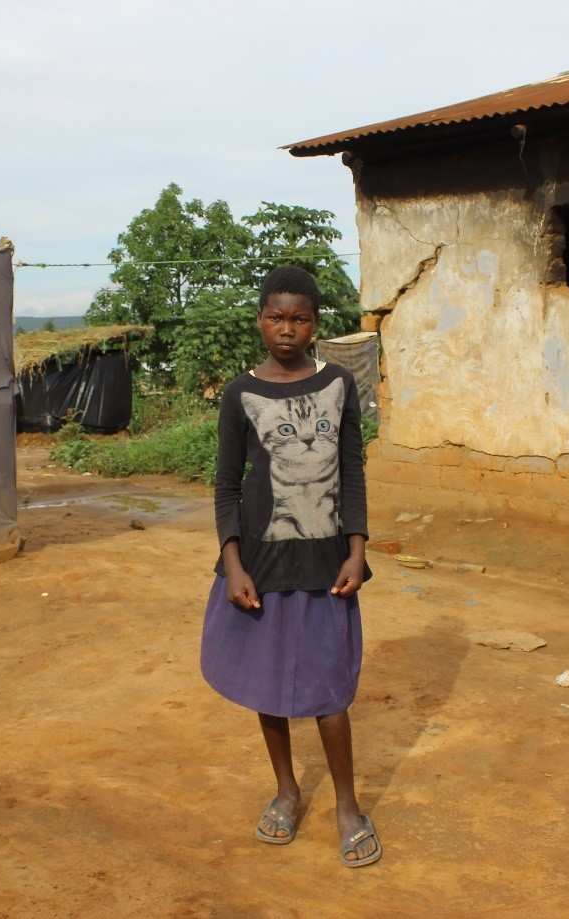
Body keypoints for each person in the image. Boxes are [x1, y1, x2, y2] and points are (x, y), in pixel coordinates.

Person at [199, 265, 382, 868]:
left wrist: (357, 549)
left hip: (327, 562)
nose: (286, 329)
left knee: (330, 692)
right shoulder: (238, 393)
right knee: (269, 686)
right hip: (262, 562)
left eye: (299, 318)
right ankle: (286, 791)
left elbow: (351, 470)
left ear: (314, 324)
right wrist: (233, 564)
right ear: (259, 319)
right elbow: (227, 485)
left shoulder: (338, 384)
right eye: (276, 317)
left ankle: (349, 806)